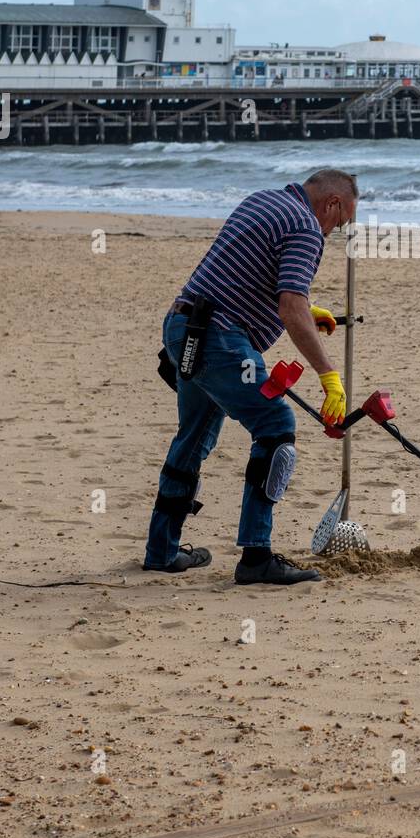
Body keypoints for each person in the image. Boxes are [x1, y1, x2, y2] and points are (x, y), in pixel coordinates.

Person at [143, 168, 358, 585]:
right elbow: (289, 306)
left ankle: (161, 551)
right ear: (331, 203)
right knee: (276, 426)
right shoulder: (307, 228)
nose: (334, 231)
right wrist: (329, 376)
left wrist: (309, 313)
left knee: (193, 437)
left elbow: (244, 272)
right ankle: (256, 557)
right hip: (220, 340)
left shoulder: (262, 199)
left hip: (182, 328)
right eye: (341, 220)